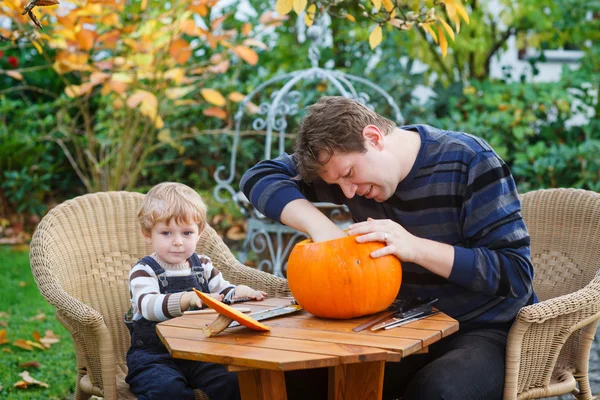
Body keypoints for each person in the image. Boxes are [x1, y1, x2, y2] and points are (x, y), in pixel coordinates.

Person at [240, 96, 537, 400]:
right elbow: (258, 177)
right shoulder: (340, 167)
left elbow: (515, 274)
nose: (347, 192)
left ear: (373, 138)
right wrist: (322, 229)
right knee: (294, 380)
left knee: (438, 392)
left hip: (483, 330)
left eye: (348, 175)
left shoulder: (469, 160)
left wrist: (415, 247)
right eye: (337, 185)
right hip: (399, 326)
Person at [125, 182, 268, 400]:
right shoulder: (144, 271)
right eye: (166, 233)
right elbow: (148, 306)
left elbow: (221, 292)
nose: (177, 242)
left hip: (199, 351)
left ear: (199, 233)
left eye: (187, 233)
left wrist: (238, 291)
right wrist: (186, 299)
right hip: (155, 356)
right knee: (167, 392)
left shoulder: (202, 265)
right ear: (148, 234)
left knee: (233, 382)